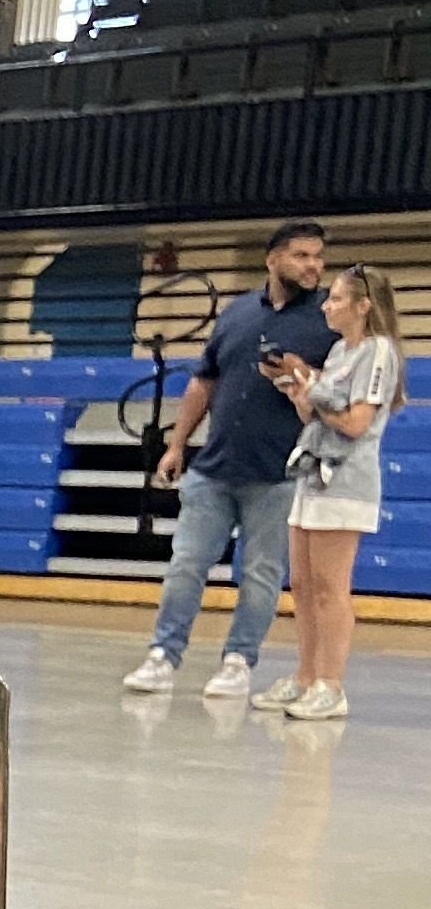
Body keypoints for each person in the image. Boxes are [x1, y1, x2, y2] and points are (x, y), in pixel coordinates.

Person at [125, 221, 326, 700]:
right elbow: (204, 380)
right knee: (186, 564)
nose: (313, 265)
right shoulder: (237, 313)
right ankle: (162, 655)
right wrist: (177, 444)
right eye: (301, 255)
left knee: (260, 574)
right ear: (272, 259)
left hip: (278, 474)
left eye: (318, 256)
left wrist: (301, 372)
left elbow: (338, 392)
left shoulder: (326, 320)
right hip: (214, 469)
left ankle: (238, 661)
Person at [256, 263, 402, 720]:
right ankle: (305, 676)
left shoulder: (378, 351)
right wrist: (301, 394)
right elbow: (316, 416)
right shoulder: (339, 351)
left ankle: (331, 685)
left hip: (345, 479)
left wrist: (315, 388)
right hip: (312, 473)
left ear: (363, 306)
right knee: (302, 584)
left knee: (329, 587)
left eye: (336, 299)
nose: (326, 307)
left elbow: (356, 423)